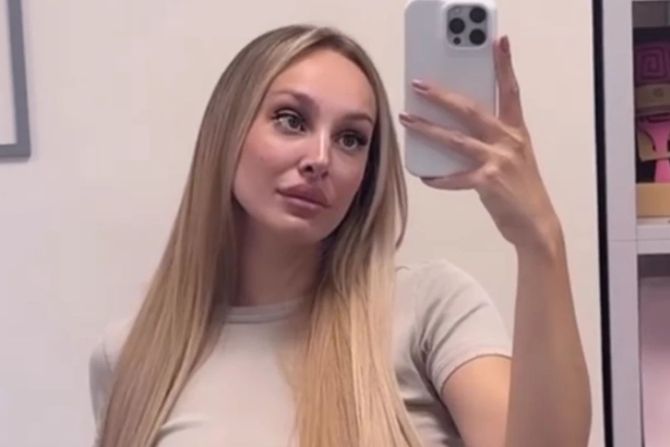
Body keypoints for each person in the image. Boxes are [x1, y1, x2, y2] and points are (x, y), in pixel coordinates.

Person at [88, 24, 592, 447]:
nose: (320, 158)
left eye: (351, 138)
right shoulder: (130, 357)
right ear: (227, 132)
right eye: (291, 120)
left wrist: (540, 241)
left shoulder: (430, 309)